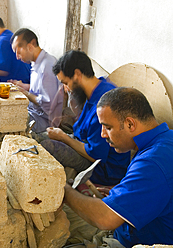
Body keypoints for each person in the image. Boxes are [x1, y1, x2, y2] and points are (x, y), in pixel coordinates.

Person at [64, 87, 173, 247]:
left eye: (108, 127)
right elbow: (158, 188)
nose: (103, 134)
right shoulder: (165, 139)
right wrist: (121, 191)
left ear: (130, 124)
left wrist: (65, 192)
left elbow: (105, 219)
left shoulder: (152, 162)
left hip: (136, 241)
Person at [41, 50, 130, 186]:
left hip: (102, 168)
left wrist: (64, 137)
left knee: (46, 146)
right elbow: (82, 132)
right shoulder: (96, 90)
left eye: (66, 83)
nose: (67, 88)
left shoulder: (104, 104)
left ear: (77, 74)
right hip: (88, 148)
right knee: (42, 136)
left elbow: (96, 154)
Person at [10, 28, 63, 133]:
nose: (17, 57)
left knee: (9, 120)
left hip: (44, 120)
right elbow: (41, 88)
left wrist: (25, 93)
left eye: (18, 51)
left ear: (30, 46)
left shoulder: (47, 65)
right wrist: (24, 86)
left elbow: (48, 104)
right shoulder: (36, 62)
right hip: (34, 112)